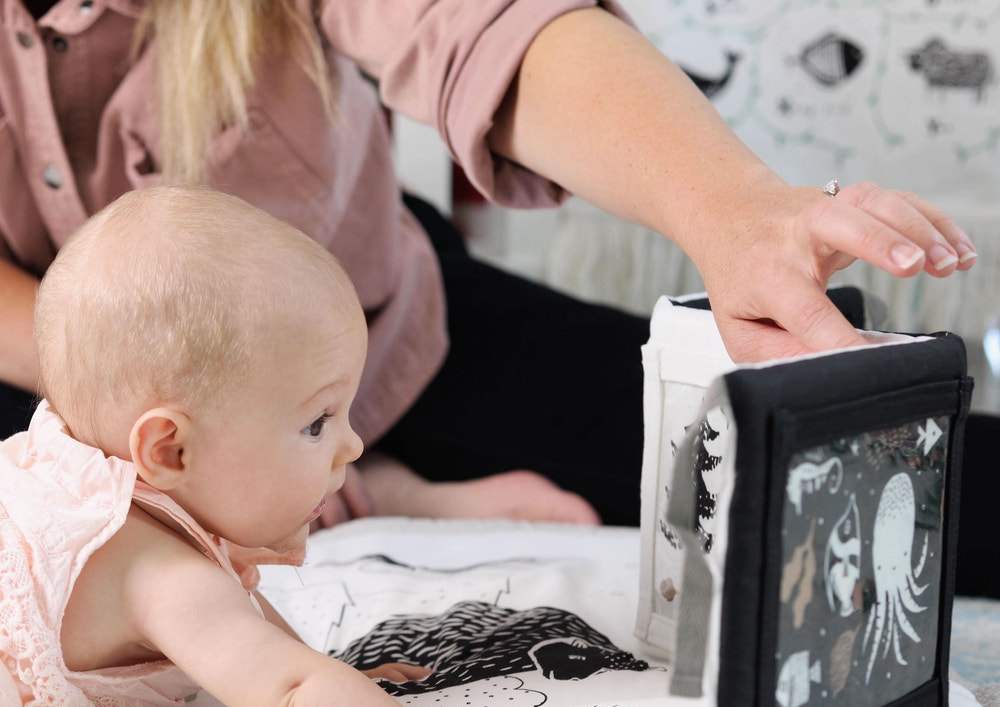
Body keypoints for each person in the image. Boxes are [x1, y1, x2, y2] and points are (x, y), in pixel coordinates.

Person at [0, 2, 990, 582]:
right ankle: (395, 499)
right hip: (41, 378)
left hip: (382, 333)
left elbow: (496, 31)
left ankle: (382, 488)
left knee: (788, 467)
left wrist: (732, 212)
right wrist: (188, 423)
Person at [0, 184, 587, 707]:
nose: (352, 446)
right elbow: (293, 696)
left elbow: (276, 649)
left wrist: (339, 679)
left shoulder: (108, 487)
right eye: (317, 422)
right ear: (171, 451)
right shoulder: (158, 574)